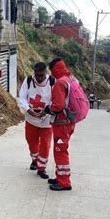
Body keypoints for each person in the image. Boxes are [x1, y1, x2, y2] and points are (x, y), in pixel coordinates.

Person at [43, 58, 76, 191]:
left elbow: (58, 106)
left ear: (55, 69)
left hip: (62, 123)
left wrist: (47, 109)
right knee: (60, 150)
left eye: (52, 71)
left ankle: (64, 182)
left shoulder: (60, 83)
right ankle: (60, 177)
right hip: (70, 121)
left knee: (60, 151)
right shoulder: (72, 79)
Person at [18, 62, 55, 179]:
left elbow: (56, 100)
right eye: (37, 75)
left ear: (46, 73)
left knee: (45, 144)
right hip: (31, 119)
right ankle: (35, 159)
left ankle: (41, 168)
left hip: (47, 121)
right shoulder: (29, 81)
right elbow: (22, 97)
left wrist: (46, 112)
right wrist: (28, 109)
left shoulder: (52, 82)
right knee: (31, 142)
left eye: (41, 75)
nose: (39, 78)